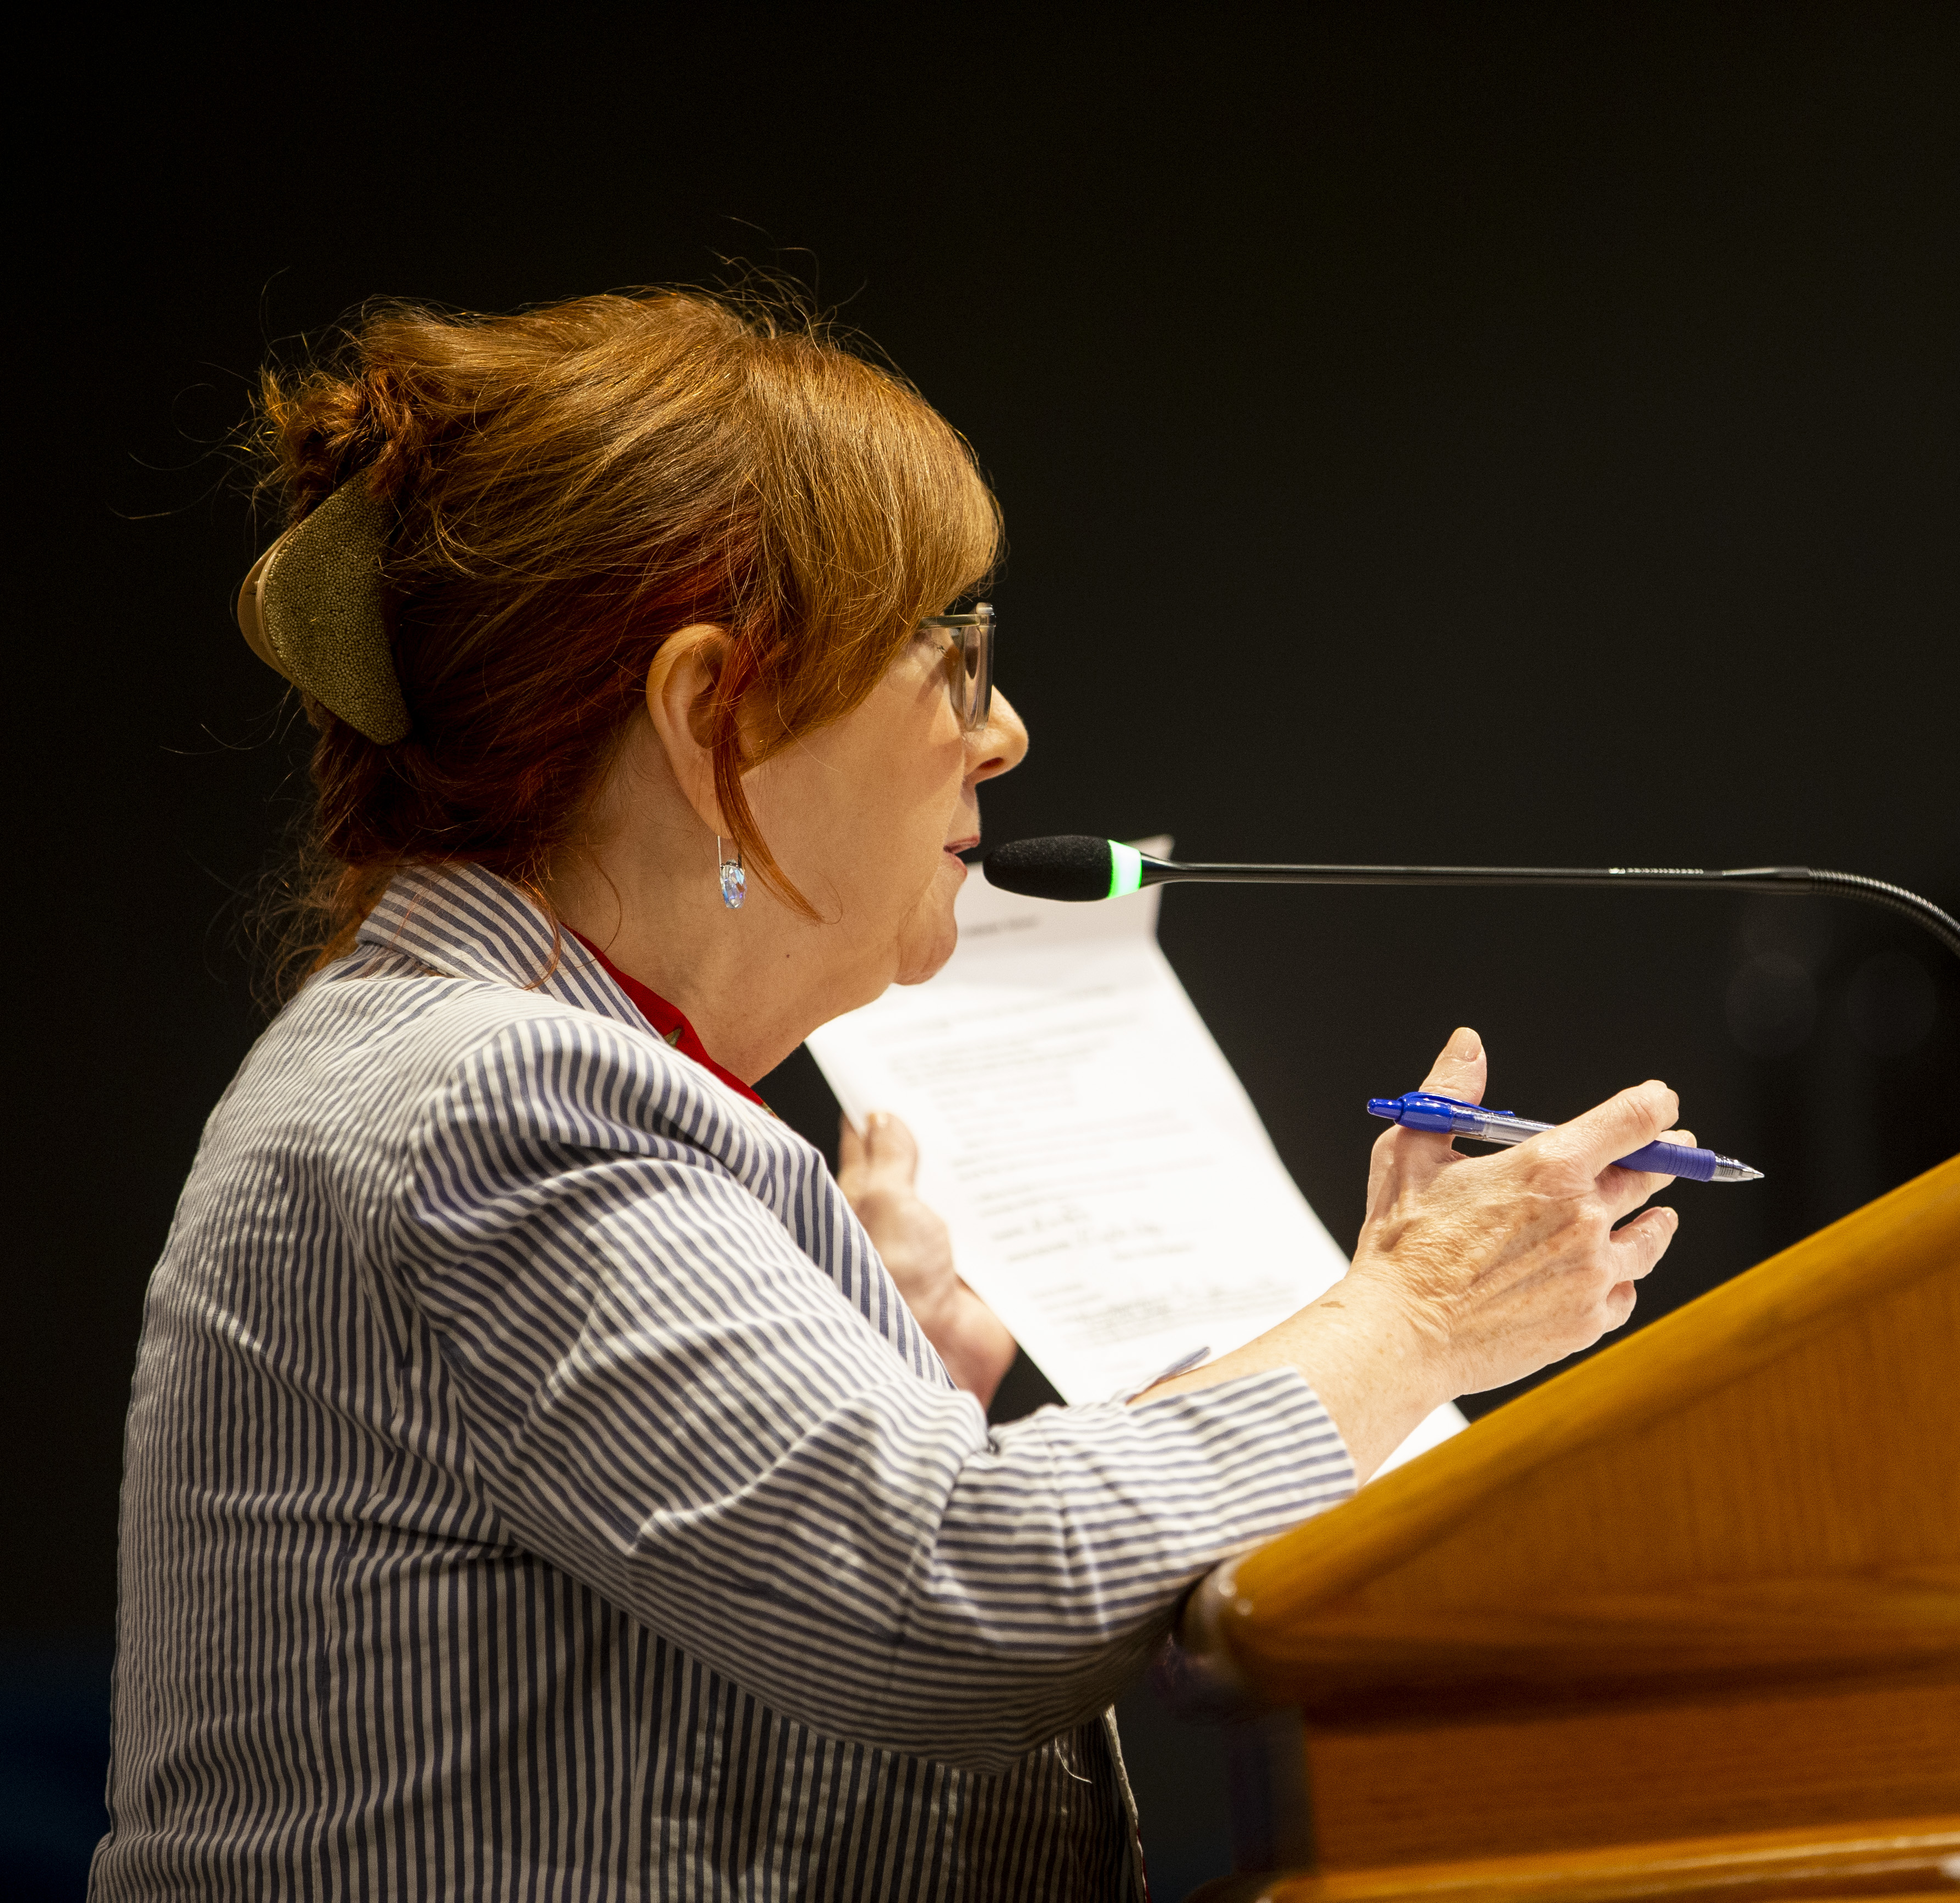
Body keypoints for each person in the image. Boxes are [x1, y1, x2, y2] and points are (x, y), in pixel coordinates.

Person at [94, 288, 1687, 1900]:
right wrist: (1415, 1316)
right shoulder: (499, 1109)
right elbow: (960, 1601)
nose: (1002, 732)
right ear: (714, 713)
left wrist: (863, 1382)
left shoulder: (468, 1062)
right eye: (950, 659)